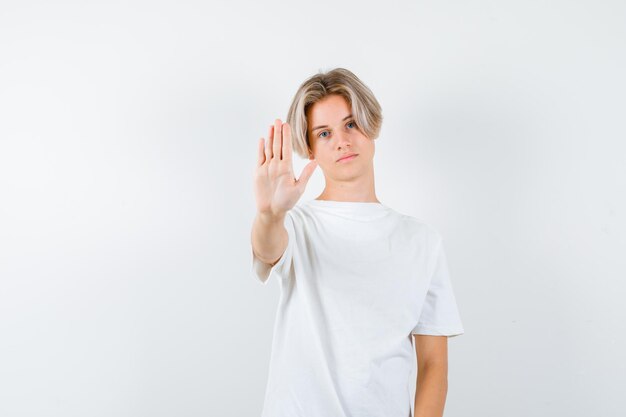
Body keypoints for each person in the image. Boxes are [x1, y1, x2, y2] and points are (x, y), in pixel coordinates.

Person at [250, 68, 464, 417]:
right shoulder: (297, 225)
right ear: (311, 149)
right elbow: (267, 249)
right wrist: (269, 215)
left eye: (351, 124)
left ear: (371, 125)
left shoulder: (422, 242)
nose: (342, 141)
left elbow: (433, 365)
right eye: (324, 133)